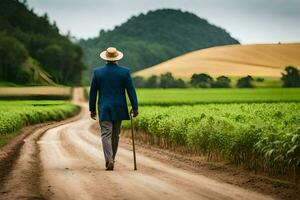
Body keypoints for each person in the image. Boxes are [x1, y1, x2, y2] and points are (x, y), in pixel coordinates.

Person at [89, 47, 138, 171]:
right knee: (115, 134)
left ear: (105, 58)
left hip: (104, 108)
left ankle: (109, 160)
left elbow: (93, 92)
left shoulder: (98, 72)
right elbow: (131, 90)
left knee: (106, 134)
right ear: (117, 59)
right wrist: (135, 107)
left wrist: (92, 109)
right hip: (119, 108)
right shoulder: (124, 72)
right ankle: (112, 159)